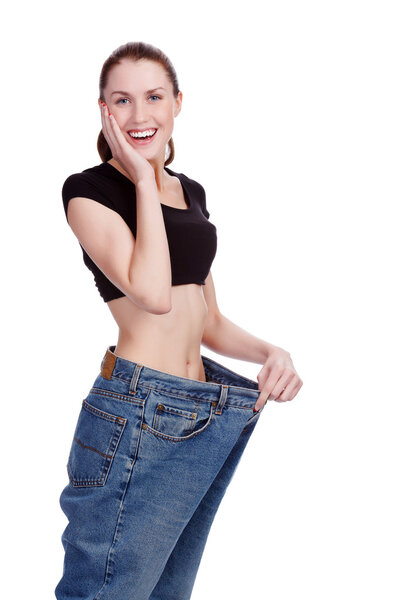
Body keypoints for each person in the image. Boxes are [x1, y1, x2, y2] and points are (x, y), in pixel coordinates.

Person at [55, 41, 303, 600]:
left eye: (153, 97)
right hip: (137, 410)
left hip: (202, 410)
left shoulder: (190, 192)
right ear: (104, 111)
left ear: (177, 103)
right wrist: (143, 180)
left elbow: (206, 317)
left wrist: (270, 353)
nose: (139, 115)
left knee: (166, 592)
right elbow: (152, 295)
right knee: (107, 592)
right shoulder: (88, 192)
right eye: (122, 100)